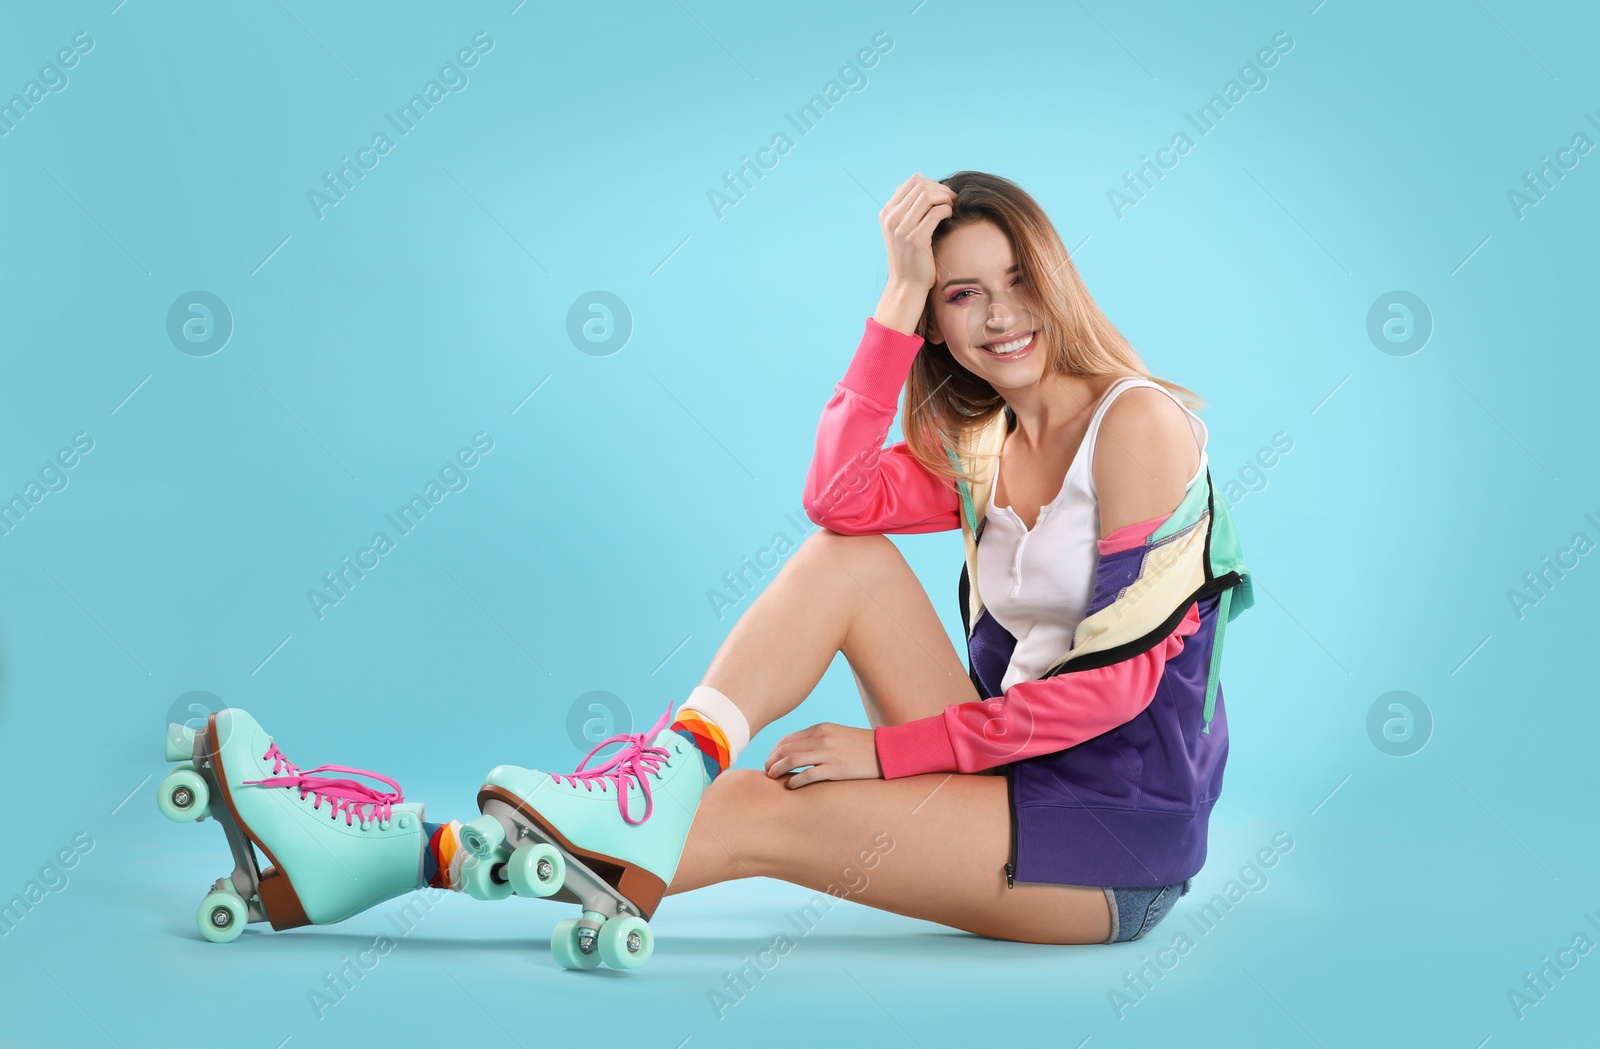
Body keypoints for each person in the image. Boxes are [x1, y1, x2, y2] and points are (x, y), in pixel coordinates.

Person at [159, 170, 1252, 961]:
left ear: (1053, 277)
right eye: (960, 292)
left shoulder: (1137, 426)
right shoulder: (985, 446)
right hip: (1013, 781)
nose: (999, 312)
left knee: (760, 812)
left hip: (1110, 836)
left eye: (1013, 278)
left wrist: (888, 752)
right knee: (848, 560)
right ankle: (665, 769)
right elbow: (836, 500)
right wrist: (891, 295)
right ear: (937, 319)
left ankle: (389, 854)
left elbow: (1119, 687)